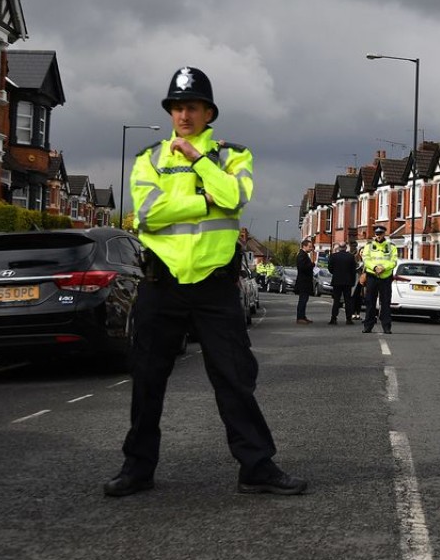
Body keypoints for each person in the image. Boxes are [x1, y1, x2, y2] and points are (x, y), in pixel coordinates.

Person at [104, 66, 307, 498]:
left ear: (209, 112)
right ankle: (138, 468)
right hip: (163, 283)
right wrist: (203, 199)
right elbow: (146, 214)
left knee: (235, 377)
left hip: (216, 285)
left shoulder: (234, 156)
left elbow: (234, 197)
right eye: (176, 107)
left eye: (192, 107)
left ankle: (256, 467)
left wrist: (198, 163)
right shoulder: (149, 158)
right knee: (147, 377)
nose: (183, 115)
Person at [360, 224, 398, 334]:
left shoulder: (391, 246)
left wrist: (383, 268)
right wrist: (375, 267)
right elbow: (366, 259)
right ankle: (368, 325)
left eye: (380, 234)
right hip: (372, 276)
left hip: (385, 277)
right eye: (376, 234)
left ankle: (386, 327)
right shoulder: (369, 245)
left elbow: (394, 261)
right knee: (370, 302)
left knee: (385, 303)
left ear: (384, 234)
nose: (378, 236)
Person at [326, 241, 358, 325]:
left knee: (336, 301)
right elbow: (353, 270)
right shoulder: (350, 257)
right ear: (346, 248)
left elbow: (330, 268)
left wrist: (336, 273)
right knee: (348, 301)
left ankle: (333, 318)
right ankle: (348, 319)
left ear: (339, 248)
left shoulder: (333, 256)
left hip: (337, 281)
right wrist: (353, 281)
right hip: (347, 282)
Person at [294, 237, 316, 325]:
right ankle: (300, 317)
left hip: (305, 281)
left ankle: (303, 316)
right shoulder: (301, 255)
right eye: (310, 247)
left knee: (304, 300)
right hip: (303, 282)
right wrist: (312, 265)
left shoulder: (304, 255)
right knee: (302, 300)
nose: (311, 249)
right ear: (304, 246)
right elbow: (302, 267)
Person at [348, 241, 364, 320]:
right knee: (353, 296)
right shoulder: (354, 258)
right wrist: (358, 267)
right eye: (361, 252)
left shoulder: (365, 260)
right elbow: (352, 269)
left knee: (360, 298)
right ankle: (352, 313)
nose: (362, 253)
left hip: (362, 281)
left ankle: (358, 313)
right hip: (355, 279)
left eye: (363, 252)